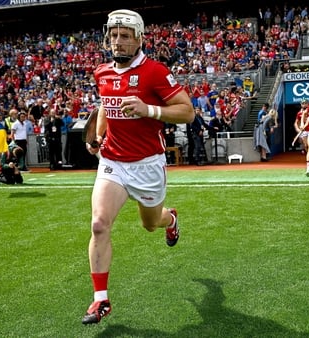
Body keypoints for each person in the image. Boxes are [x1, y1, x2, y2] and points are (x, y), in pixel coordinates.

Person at [82, 9, 194, 325]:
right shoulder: (102, 72)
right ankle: (100, 300)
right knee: (99, 224)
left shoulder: (155, 72)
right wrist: (99, 137)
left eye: (125, 36)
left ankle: (170, 219)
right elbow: (105, 104)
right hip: (113, 162)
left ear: (139, 39)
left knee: (150, 224)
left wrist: (149, 109)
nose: (118, 42)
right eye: (114, 35)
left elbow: (187, 113)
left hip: (147, 165)